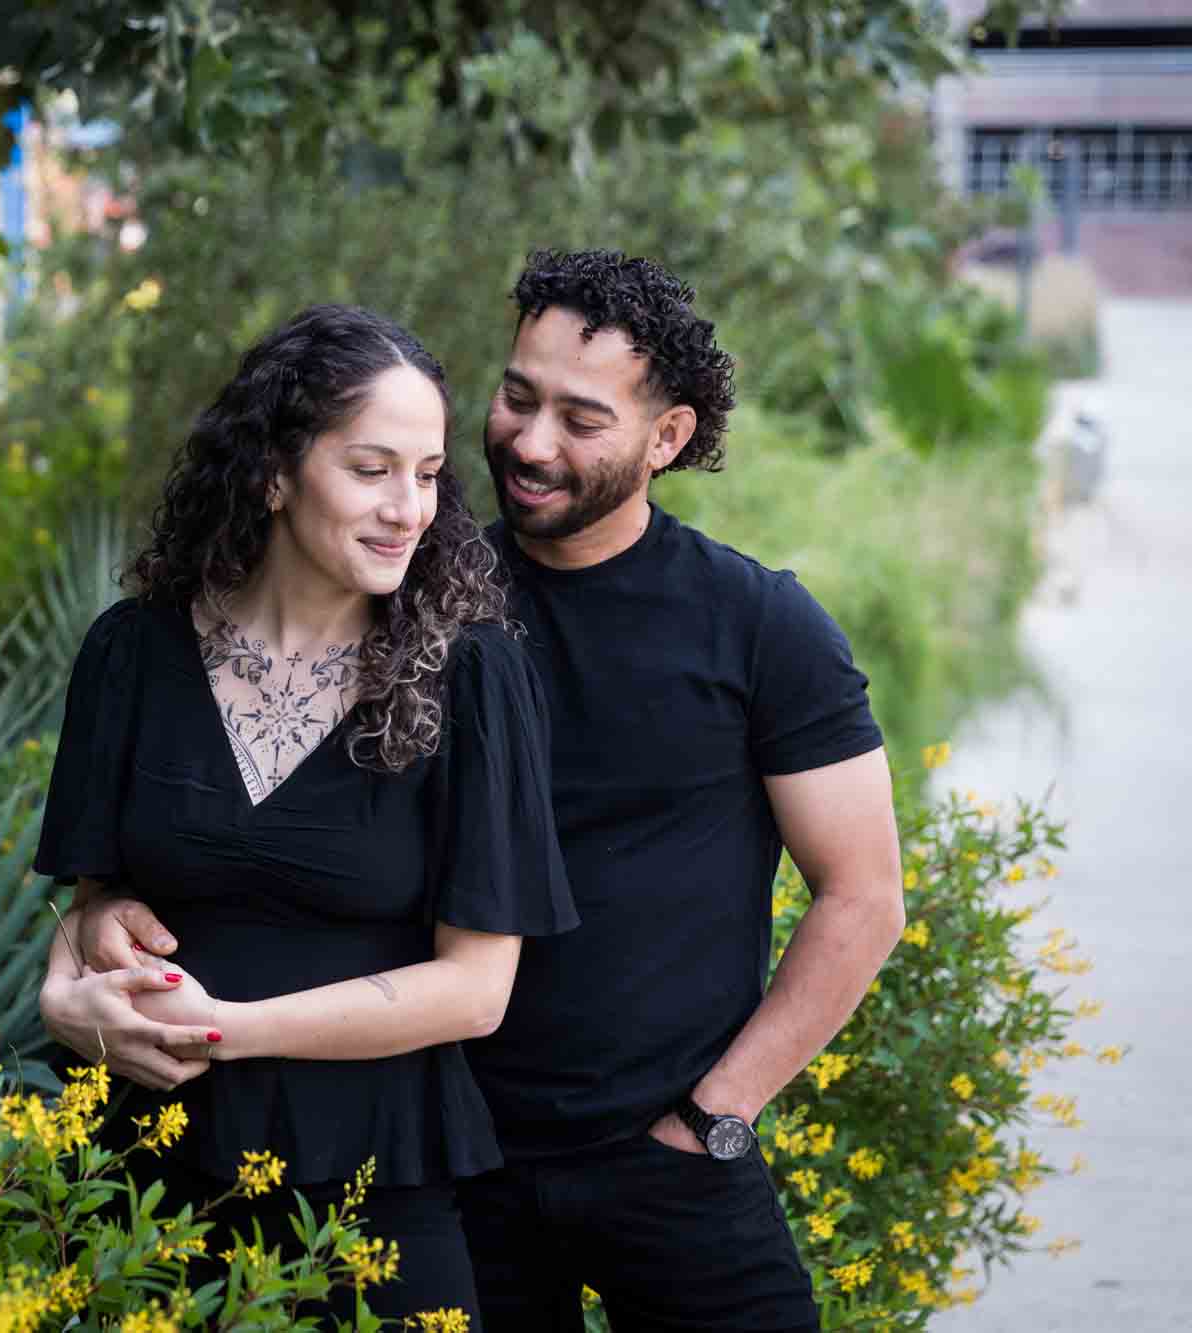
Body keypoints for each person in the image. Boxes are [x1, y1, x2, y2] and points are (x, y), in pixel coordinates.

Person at [54, 251, 906, 1333]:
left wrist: (715, 1117)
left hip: (661, 1156)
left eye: (580, 418)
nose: (530, 440)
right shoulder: (419, 596)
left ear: (668, 437)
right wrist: (92, 931)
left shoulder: (756, 624)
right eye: (515, 397)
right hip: (455, 1153)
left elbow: (863, 897)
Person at [32, 303, 575, 1327]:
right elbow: (94, 898)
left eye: (425, 474)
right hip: (136, 1172)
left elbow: (475, 990)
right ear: (274, 472)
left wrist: (227, 1031)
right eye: (370, 469)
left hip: (369, 1192)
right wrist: (75, 982)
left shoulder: (471, 675)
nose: (406, 508)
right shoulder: (131, 652)